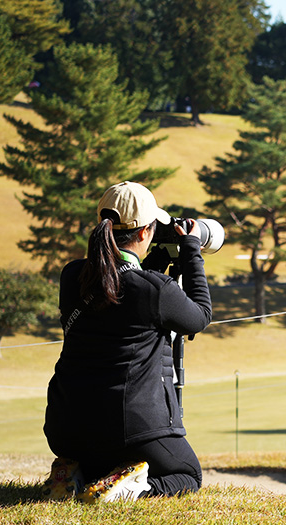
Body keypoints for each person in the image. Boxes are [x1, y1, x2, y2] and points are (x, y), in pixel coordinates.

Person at [42, 181, 212, 502]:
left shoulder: (72, 276)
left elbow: (119, 290)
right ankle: (129, 490)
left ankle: (75, 474)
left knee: (102, 456)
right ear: (146, 232)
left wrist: (152, 269)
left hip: (65, 427)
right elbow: (199, 315)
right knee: (188, 474)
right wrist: (191, 250)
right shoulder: (154, 290)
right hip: (128, 427)